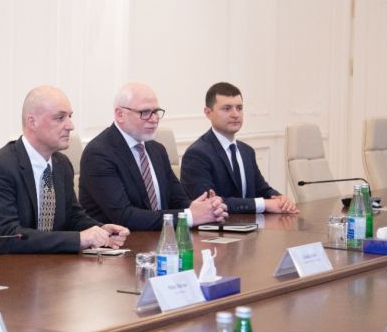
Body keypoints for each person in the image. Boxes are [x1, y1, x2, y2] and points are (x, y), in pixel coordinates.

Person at [0, 85, 130, 254]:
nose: (70, 126)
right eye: (60, 118)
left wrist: (100, 230)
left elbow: (73, 216)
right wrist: (79, 239)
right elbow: (9, 238)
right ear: (32, 122)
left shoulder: (61, 164)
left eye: (70, 117)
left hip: (47, 263)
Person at [79, 82, 227, 230]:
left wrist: (206, 209)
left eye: (156, 111)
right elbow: (124, 216)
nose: (154, 119)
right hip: (120, 241)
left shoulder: (157, 150)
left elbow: (178, 201)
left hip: (163, 237)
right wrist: (189, 216)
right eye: (145, 112)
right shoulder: (98, 154)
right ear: (120, 114)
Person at [180, 82, 298, 215]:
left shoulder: (247, 151)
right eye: (227, 108)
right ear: (208, 112)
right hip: (217, 227)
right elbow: (210, 204)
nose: (235, 114)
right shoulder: (196, 154)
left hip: (253, 225)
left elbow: (262, 190)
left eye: (239, 108)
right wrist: (263, 204)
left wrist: (280, 199)